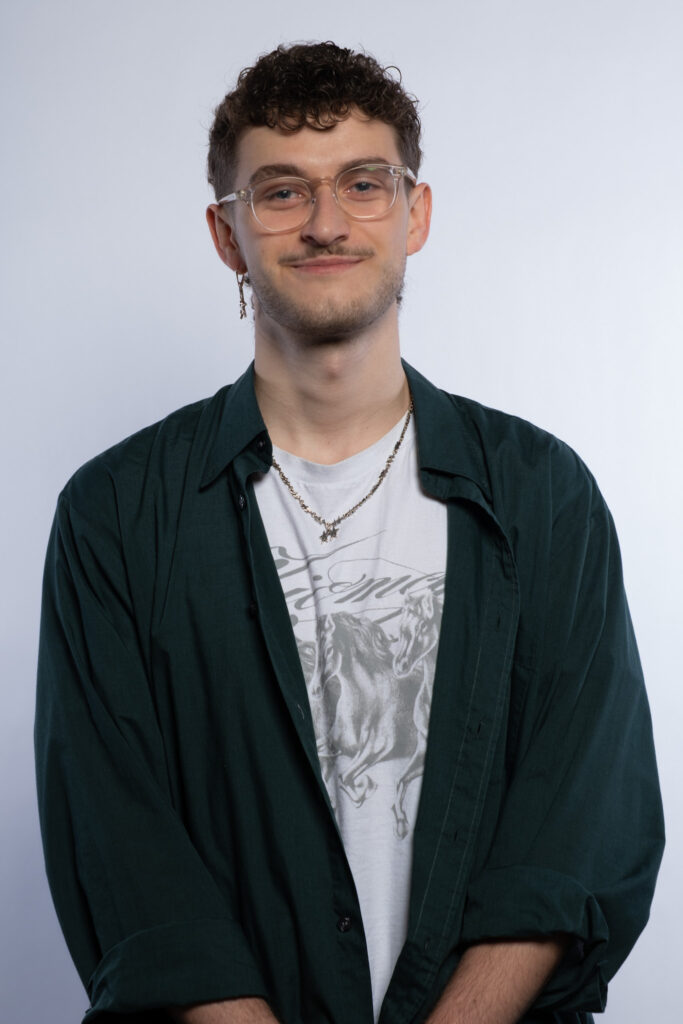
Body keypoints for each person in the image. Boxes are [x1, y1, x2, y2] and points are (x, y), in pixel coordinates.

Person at [35, 42, 664, 1024]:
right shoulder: (113, 515)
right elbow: (121, 849)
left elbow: (579, 818)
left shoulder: (544, 496)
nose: (326, 222)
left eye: (363, 184)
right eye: (281, 191)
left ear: (414, 214)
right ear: (227, 233)